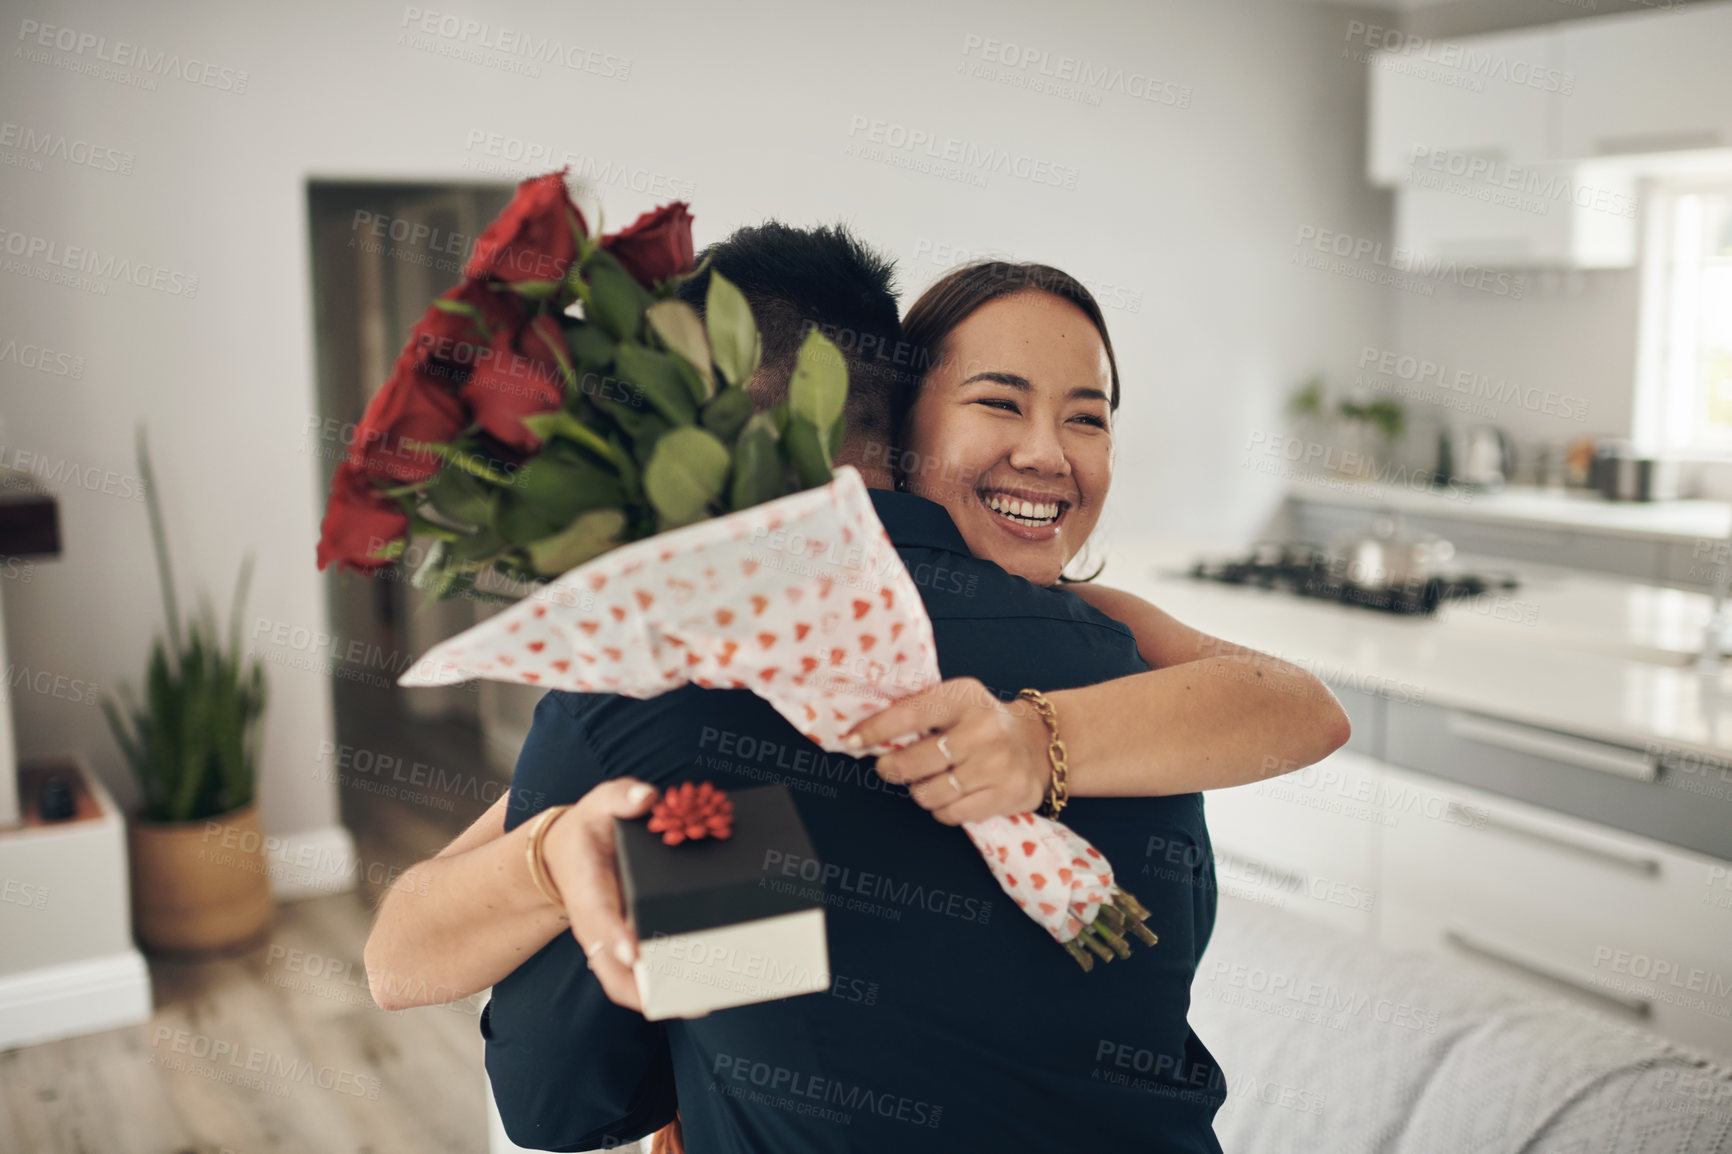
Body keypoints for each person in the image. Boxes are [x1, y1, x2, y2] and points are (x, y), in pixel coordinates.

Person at [363, 235, 1349, 1153]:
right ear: (901, 415)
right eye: (999, 402)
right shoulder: (1134, 670)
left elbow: (560, 1102)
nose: (1045, 453)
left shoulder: (681, 695)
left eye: (1086, 415)